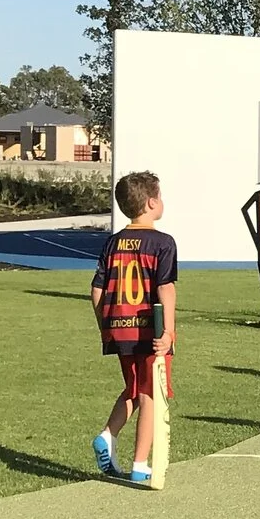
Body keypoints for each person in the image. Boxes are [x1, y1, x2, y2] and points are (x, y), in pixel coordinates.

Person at [89, 170, 179, 487]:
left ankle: (108, 434)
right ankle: (140, 464)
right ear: (153, 202)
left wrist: (107, 324)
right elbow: (165, 288)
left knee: (135, 389)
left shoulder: (112, 243)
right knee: (151, 393)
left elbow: (97, 291)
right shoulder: (163, 243)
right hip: (149, 330)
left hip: (119, 328)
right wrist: (167, 331)